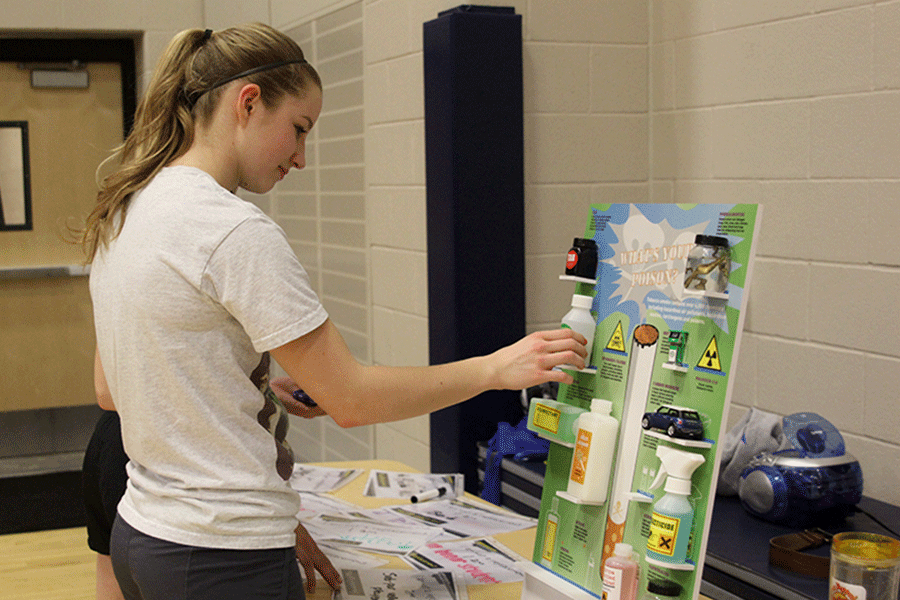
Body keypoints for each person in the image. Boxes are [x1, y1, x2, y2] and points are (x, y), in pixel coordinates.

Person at [80, 22, 587, 600]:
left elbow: (112, 388)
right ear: (248, 103)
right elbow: (352, 400)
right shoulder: (233, 231)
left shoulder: (126, 210)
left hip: (143, 537)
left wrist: (254, 392)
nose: (300, 157)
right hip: (221, 555)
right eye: (298, 129)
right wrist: (495, 369)